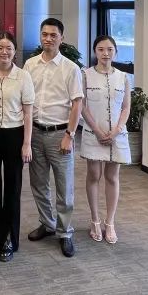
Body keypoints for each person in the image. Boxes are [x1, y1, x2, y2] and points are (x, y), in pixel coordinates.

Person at [24, 17, 83, 258]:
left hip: (60, 134)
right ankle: (48, 224)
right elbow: (25, 100)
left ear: (61, 38)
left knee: (64, 187)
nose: (48, 39)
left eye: (53, 35)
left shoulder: (71, 68)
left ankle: (65, 232)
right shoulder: (30, 65)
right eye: (44, 34)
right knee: (38, 184)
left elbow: (77, 104)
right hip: (36, 133)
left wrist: (70, 135)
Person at [0, 31, 34, 262]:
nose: (4, 52)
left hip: (15, 135)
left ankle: (9, 238)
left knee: (12, 189)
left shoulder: (23, 76)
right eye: (0, 48)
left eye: (9, 48)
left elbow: (28, 113)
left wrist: (27, 144)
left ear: (15, 51)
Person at [80, 35, 131, 245]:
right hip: (94, 133)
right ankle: (94, 220)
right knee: (94, 175)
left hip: (116, 135)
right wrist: (98, 131)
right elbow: (82, 106)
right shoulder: (85, 75)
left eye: (109, 49)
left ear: (115, 52)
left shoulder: (123, 77)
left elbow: (126, 107)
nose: (105, 53)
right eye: (101, 49)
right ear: (95, 52)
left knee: (112, 176)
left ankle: (110, 222)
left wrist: (117, 130)